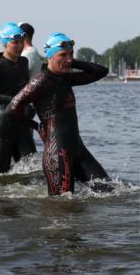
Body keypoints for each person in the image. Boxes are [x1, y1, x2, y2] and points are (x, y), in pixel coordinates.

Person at [8, 32, 109, 196]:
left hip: (78, 149)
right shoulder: (41, 81)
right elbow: (12, 107)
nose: (68, 59)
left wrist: (70, 61)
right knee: (60, 206)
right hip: (57, 154)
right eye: (62, 55)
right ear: (49, 56)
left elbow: (101, 71)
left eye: (71, 54)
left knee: (108, 191)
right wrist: (37, 126)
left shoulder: (66, 78)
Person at [0, 22, 36, 173]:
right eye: (15, 42)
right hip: (0, 128)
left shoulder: (24, 62)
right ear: (5, 44)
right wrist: (15, 100)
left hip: (21, 126)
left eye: (21, 42)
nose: (19, 46)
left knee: (31, 172)